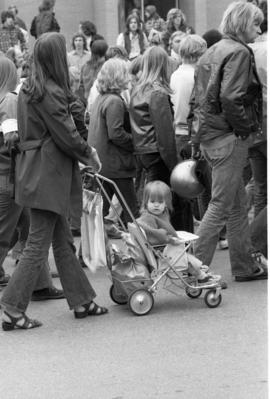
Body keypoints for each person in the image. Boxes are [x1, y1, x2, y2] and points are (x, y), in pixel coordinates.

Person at [1, 32, 108, 332]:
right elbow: (67, 134)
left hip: (34, 170)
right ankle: (12, 306)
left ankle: (82, 299)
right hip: (48, 173)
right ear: (57, 58)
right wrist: (90, 154)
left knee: (60, 240)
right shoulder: (50, 90)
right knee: (39, 243)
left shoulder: (28, 89)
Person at [190, 1, 267, 282]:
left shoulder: (212, 50)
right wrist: (245, 128)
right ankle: (194, 269)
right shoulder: (237, 52)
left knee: (234, 204)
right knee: (223, 205)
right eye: (255, 24)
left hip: (212, 135)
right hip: (227, 137)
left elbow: (199, 99)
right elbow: (231, 98)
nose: (259, 30)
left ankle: (244, 266)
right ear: (241, 23)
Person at [136, 181, 219, 284]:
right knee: (185, 259)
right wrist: (169, 239)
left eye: (160, 202)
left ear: (166, 203)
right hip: (160, 253)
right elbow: (153, 236)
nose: (156, 205)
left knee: (185, 256)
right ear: (145, 202)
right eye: (152, 202)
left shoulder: (161, 214)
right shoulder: (148, 218)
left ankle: (199, 271)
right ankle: (201, 275)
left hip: (163, 251)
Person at [88, 58, 138, 224]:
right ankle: (140, 248)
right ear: (119, 76)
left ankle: (86, 250)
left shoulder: (101, 99)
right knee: (132, 212)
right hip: (116, 165)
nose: (130, 77)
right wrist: (136, 142)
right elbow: (116, 134)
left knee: (98, 215)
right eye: (127, 73)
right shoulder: (114, 101)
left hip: (102, 164)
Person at [248, 0, 267, 217]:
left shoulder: (246, 49)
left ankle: (259, 241)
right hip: (262, 118)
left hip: (251, 123)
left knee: (260, 186)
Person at [78, 39, 108, 105]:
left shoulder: (85, 66)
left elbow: (80, 86)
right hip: (102, 102)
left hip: (87, 101)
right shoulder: (107, 66)